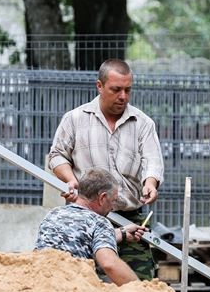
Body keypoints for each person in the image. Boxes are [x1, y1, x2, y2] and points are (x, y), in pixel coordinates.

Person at [47, 58, 164, 280]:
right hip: (84, 218)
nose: (123, 97)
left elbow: (153, 161)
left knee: (139, 285)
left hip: (130, 219)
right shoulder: (75, 119)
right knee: (79, 282)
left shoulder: (143, 123)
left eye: (128, 90)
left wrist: (150, 183)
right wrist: (71, 179)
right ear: (99, 86)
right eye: (116, 89)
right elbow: (57, 155)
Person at [34, 168, 146, 286]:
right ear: (102, 198)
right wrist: (140, 290)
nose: (112, 207)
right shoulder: (99, 222)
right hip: (71, 287)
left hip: (40, 281)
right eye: (113, 201)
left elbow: (80, 237)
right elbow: (109, 264)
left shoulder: (54, 213)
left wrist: (122, 233)